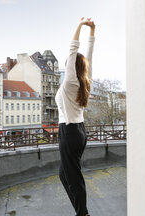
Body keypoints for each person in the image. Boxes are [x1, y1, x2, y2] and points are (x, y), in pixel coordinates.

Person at [55, 17, 95, 216]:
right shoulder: (84, 81)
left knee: (73, 177)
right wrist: (92, 33)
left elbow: (73, 50)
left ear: (72, 67)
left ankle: (83, 214)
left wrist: (79, 25)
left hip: (69, 132)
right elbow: (87, 57)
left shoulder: (71, 81)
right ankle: (81, 211)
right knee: (65, 174)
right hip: (78, 131)